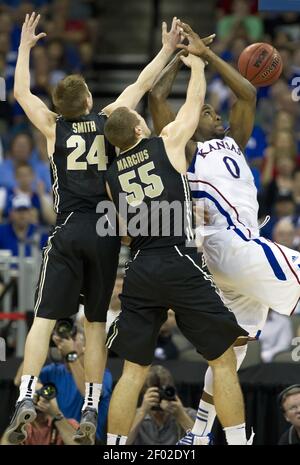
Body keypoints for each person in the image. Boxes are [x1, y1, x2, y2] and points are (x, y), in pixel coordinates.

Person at [7, 12, 182, 445]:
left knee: (44, 321)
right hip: (105, 230)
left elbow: (19, 92)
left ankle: (25, 398)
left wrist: (25, 48)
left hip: (67, 229)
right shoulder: (107, 121)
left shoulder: (51, 126)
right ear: (88, 101)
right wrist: (166, 48)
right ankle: (90, 404)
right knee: (96, 324)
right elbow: (142, 83)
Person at [148, 20, 300, 444]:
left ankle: (197, 435)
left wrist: (206, 54)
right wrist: (182, 57)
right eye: (207, 111)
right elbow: (157, 95)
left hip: (233, 261)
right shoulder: (185, 148)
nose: (216, 113)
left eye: (215, 111)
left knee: (229, 354)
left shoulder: (234, 140)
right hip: (230, 244)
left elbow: (248, 93)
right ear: (192, 120)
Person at [104, 50, 249, 446]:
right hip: (178, 257)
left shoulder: (112, 175)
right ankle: (237, 441)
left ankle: (115, 450)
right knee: (221, 360)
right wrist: (198, 67)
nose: (142, 120)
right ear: (137, 130)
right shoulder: (165, 142)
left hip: (139, 266)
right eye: (138, 120)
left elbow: (125, 233)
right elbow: (190, 107)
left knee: (132, 372)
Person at [127, 365, 196, 445]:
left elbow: (202, 442)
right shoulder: (133, 416)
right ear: (145, 392)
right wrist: (142, 412)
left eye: (163, 392)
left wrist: (181, 415)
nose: (160, 397)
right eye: (155, 392)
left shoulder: (189, 414)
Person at [1, 383, 79, 445]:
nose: (38, 401)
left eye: (42, 395)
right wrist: (22, 412)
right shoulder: (23, 428)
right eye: (32, 396)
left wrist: (56, 414)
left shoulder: (69, 424)